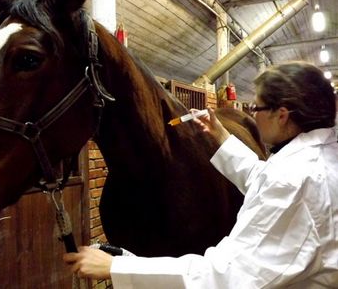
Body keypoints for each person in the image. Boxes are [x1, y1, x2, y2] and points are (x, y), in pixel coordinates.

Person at [63, 61, 338, 288]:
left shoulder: (295, 177)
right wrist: (221, 135)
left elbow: (228, 276)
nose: (253, 116)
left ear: (282, 115)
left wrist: (118, 267)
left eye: (257, 108)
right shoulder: (316, 157)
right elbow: (262, 180)